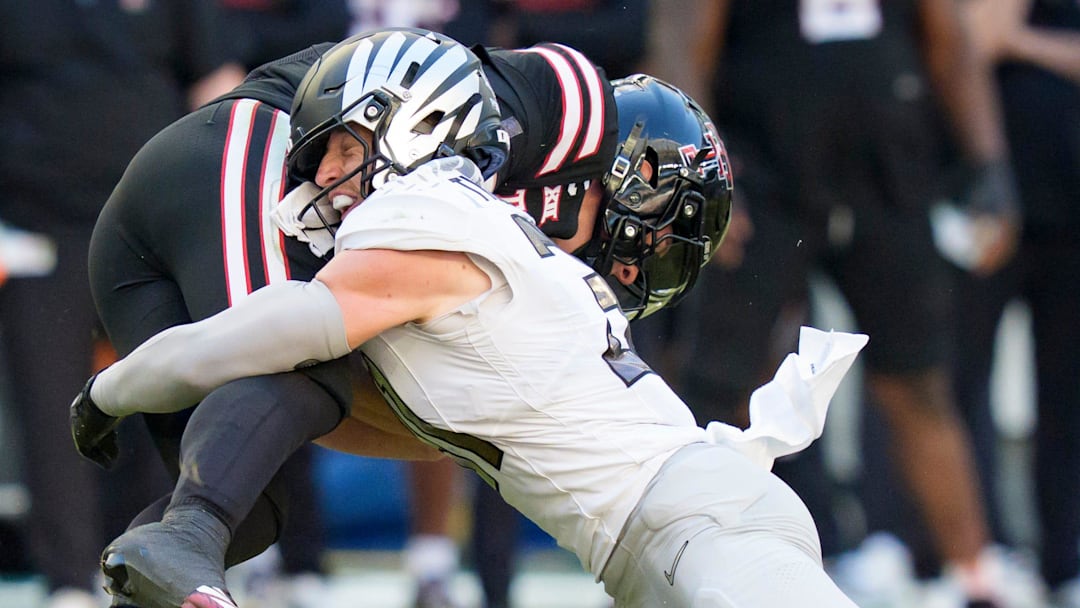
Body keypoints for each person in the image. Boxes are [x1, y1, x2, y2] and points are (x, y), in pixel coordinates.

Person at [76, 31, 869, 607]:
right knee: (252, 447)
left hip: (690, 522)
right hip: (690, 517)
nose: (626, 274)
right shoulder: (491, 179)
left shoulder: (464, 234)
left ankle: (180, 538)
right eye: (636, 253)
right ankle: (183, 534)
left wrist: (111, 392)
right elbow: (439, 81)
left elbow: (313, 365)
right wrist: (113, 394)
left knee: (254, 488)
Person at [67, 28, 627, 608]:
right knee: (300, 365)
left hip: (172, 223)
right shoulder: (565, 105)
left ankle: (150, 570)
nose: (624, 272)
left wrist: (474, 427)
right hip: (253, 148)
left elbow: (367, 414)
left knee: (249, 506)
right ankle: (183, 530)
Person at [641, 1, 1030, 606]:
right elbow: (680, 39)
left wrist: (988, 162)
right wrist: (701, 172)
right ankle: (674, 565)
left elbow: (948, 37)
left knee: (918, 381)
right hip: (761, 170)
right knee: (719, 386)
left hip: (887, 169)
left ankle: (975, 578)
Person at [0, 2, 245, 607]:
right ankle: (66, 580)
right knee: (52, 410)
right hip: (39, 228)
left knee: (167, 399)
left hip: (148, 230)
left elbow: (221, 88)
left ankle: (154, 567)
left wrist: (220, 201)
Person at [950, 1, 1080, 604]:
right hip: (985, 204)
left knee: (1066, 392)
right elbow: (966, 43)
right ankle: (977, 555)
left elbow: (998, 37)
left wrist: (1022, 41)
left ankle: (1064, 557)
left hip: (1068, 201)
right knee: (958, 376)